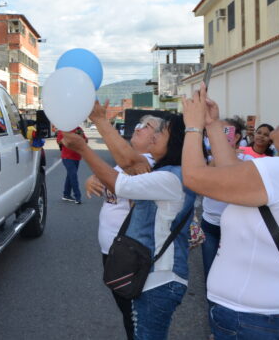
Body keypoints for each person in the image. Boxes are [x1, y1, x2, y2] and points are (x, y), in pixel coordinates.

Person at [182, 86, 279, 339]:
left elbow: (194, 177)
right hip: (267, 318)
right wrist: (212, 124)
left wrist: (193, 127)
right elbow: (230, 170)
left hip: (255, 321)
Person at [63, 113, 195, 340]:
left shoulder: (161, 172)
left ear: (174, 142)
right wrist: (95, 178)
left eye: (156, 129)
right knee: (134, 322)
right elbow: (119, 177)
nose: (143, 130)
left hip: (150, 271)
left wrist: (85, 148)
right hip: (131, 260)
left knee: (139, 327)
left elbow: (125, 176)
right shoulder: (162, 170)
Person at [84, 102, 166, 340]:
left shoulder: (148, 162)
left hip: (131, 253)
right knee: (128, 314)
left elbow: (132, 169)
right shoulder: (124, 160)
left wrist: (100, 123)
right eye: (139, 124)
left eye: (146, 126)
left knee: (135, 318)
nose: (138, 128)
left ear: (158, 138)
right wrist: (93, 178)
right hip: (113, 250)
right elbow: (116, 174)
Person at [200, 116, 251, 279]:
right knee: (210, 271)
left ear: (236, 136)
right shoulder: (210, 160)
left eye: (224, 131)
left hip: (236, 226)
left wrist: (231, 157)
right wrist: (217, 156)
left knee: (234, 273)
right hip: (209, 223)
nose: (219, 136)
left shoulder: (247, 160)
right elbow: (204, 184)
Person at [56, 127, 85, 204]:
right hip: (67, 157)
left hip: (77, 157)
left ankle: (66, 195)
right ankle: (78, 197)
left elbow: (85, 141)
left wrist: (81, 135)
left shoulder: (79, 128)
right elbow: (59, 141)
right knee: (73, 175)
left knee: (70, 176)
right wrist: (70, 137)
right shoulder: (63, 129)